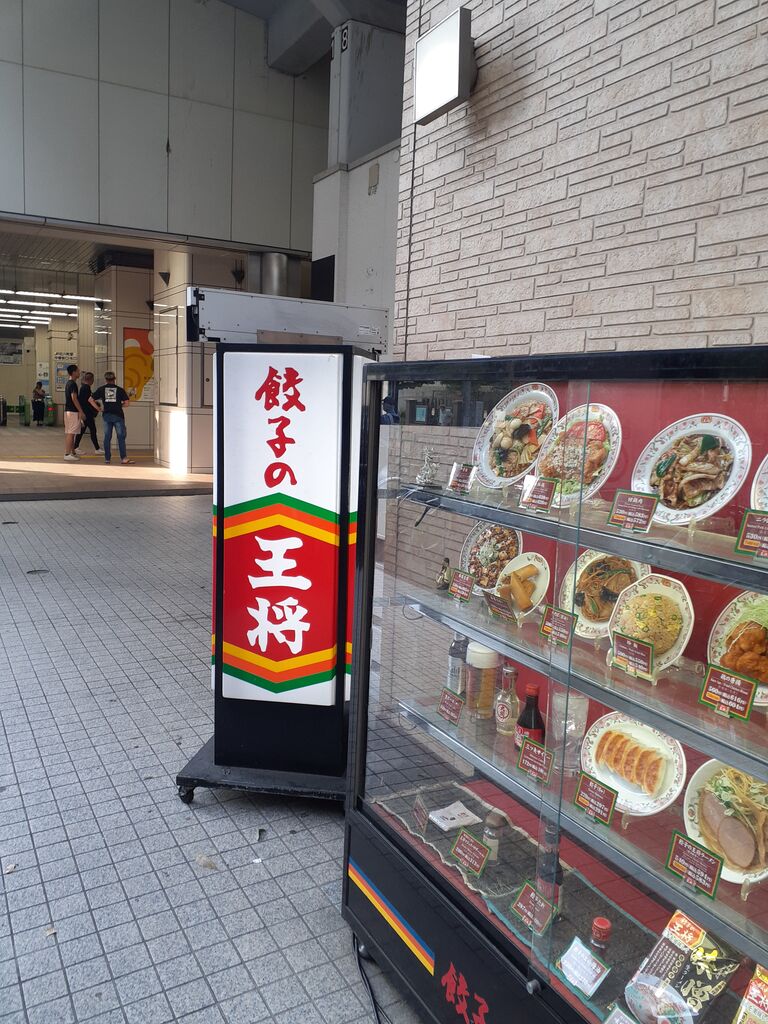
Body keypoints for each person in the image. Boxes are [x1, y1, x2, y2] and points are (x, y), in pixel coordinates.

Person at [89, 371, 134, 465]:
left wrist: (98, 409)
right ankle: (124, 458)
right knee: (121, 437)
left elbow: (90, 399)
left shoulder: (101, 389)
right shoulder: (120, 390)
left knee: (107, 437)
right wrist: (119, 405)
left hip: (107, 416)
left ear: (105, 379)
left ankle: (107, 459)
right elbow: (127, 403)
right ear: (114, 379)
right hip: (118, 416)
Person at [73, 372, 100, 456]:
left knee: (83, 430)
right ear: (91, 379)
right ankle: (97, 449)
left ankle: (76, 447)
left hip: (85, 412)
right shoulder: (86, 388)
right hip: (87, 413)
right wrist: (96, 408)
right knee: (92, 430)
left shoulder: (83, 387)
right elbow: (87, 401)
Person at [63, 365, 85, 460]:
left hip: (68, 411)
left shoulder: (68, 383)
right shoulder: (73, 384)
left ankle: (72, 453)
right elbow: (74, 398)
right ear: (73, 372)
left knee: (71, 432)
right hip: (73, 412)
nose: (79, 373)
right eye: (78, 371)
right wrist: (81, 411)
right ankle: (67, 454)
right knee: (71, 433)